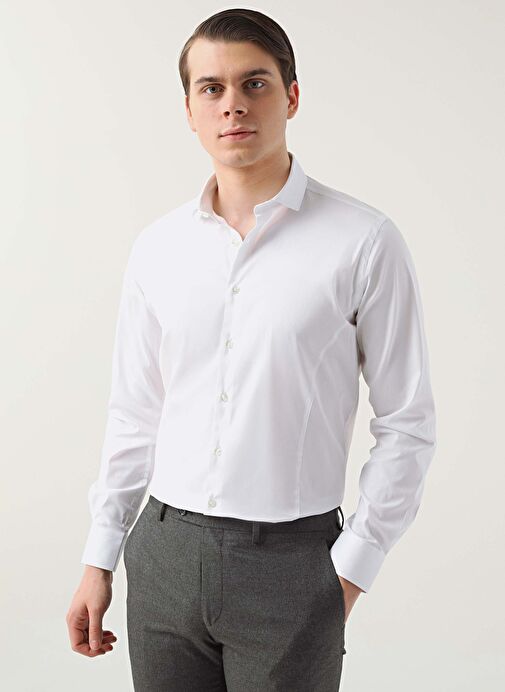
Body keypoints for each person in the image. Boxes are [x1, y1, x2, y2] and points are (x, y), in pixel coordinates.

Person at [66, 8, 436, 690]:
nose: (232, 104)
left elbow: (407, 423)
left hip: (293, 562)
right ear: (189, 110)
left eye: (254, 84)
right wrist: (100, 556)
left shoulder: (363, 241)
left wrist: (349, 571)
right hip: (164, 552)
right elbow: (134, 413)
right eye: (211, 88)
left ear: (291, 96)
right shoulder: (158, 248)